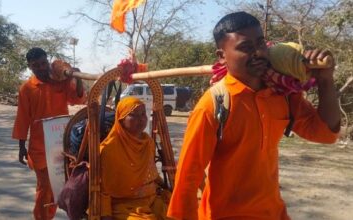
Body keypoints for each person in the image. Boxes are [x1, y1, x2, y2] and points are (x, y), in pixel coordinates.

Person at [167, 11, 340, 220]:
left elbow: (326, 134)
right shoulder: (214, 105)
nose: (258, 53)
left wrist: (325, 81)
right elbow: (188, 177)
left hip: (275, 213)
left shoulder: (282, 94)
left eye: (260, 43)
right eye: (245, 48)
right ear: (222, 56)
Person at [12, 47, 86, 220]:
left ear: (48, 61)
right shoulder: (27, 89)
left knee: (60, 186)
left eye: (43, 63)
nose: (41, 68)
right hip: (39, 149)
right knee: (45, 188)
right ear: (30, 67)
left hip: (62, 144)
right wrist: (21, 147)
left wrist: (77, 77)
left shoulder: (60, 82)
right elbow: (22, 118)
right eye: (35, 65)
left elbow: (78, 98)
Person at [100, 97, 170, 220]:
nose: (141, 119)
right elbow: (103, 188)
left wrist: (167, 186)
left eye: (143, 114)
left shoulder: (148, 141)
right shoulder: (109, 148)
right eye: (134, 115)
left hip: (152, 199)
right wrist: (106, 215)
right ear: (121, 120)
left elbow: (150, 173)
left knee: (182, 211)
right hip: (125, 205)